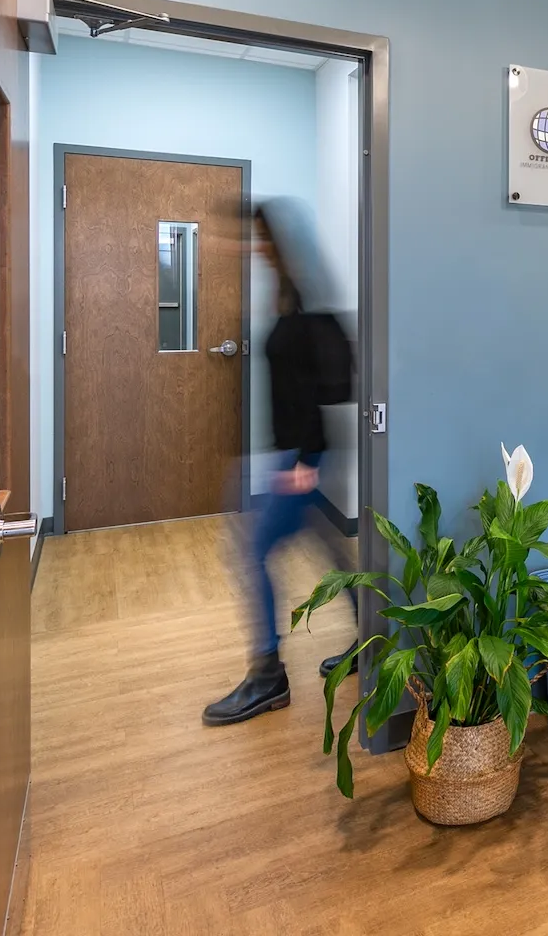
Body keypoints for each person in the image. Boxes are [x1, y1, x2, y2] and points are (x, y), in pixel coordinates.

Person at [203, 201, 355, 726]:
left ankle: (268, 677)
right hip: (290, 453)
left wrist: (305, 460)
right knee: (332, 547)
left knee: (253, 550)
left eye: (260, 238)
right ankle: (375, 639)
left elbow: (327, 386)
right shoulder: (288, 296)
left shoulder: (308, 306)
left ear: (280, 243)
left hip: (299, 455)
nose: (252, 247)